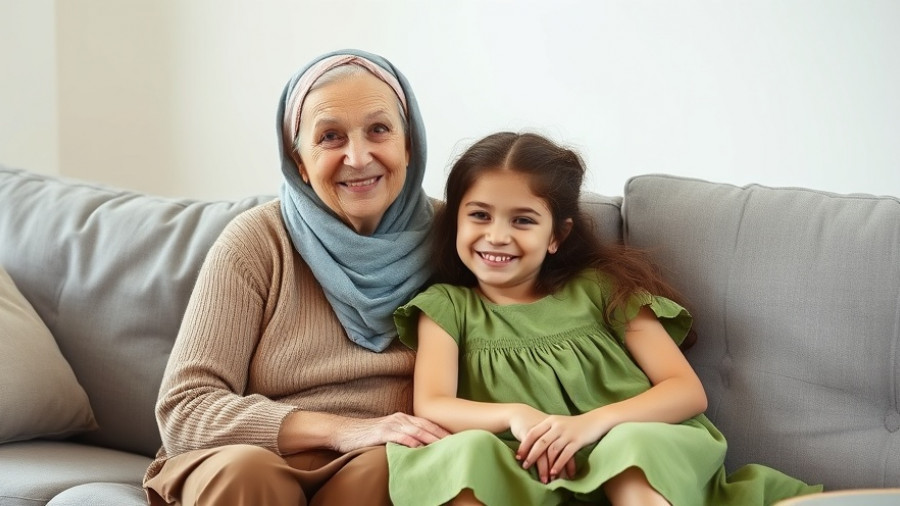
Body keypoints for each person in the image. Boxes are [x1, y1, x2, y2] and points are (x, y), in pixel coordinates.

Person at [386, 132, 823, 505]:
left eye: (523, 220)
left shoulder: (601, 289)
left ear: (557, 235)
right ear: (456, 220)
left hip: (632, 449)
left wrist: (590, 424)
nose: (497, 235)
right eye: (479, 215)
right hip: (528, 468)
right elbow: (433, 404)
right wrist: (516, 415)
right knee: (463, 454)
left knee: (631, 445)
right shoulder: (445, 307)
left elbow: (687, 391)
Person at [142, 49, 450, 506]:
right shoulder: (256, 241)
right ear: (299, 162)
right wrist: (343, 430)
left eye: (379, 129)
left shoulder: (459, 242)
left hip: (376, 461)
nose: (358, 156)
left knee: (387, 471)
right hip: (246, 458)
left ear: (410, 143)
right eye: (330, 137)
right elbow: (184, 409)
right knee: (248, 471)